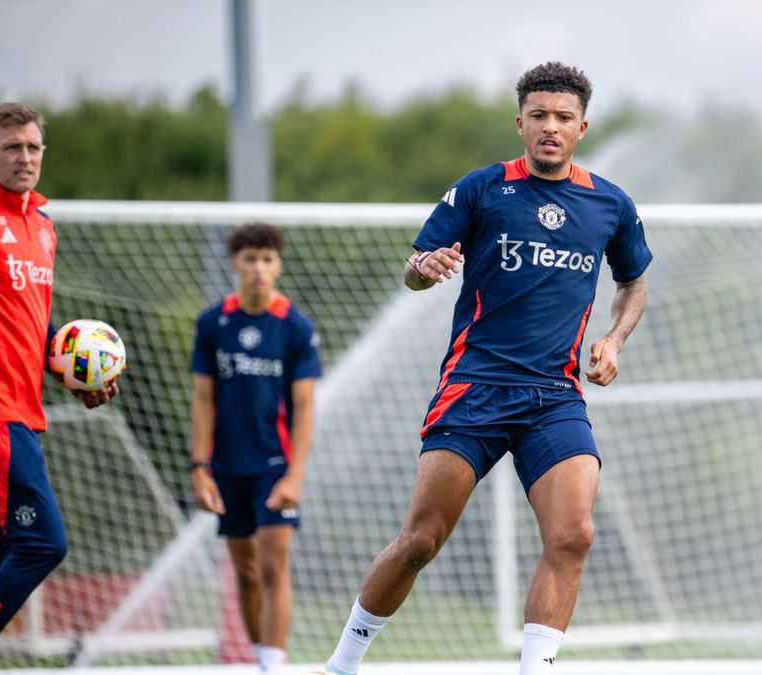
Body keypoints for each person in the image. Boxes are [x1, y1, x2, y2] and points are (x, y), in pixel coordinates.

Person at [323, 62, 651, 675]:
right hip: (475, 388)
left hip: (555, 396)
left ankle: (536, 668)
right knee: (420, 540)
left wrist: (614, 338)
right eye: (538, 116)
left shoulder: (610, 203)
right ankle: (342, 663)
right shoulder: (481, 189)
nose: (550, 127)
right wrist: (422, 269)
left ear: (582, 126)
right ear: (520, 123)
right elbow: (416, 266)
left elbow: (633, 283)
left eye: (562, 118)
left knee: (574, 533)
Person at [0, 102, 117, 675]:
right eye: (12, 147)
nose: (24, 157)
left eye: (33, 147)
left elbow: (29, 324)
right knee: (43, 544)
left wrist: (73, 374)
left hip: (21, 408)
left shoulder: (43, 227)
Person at [189, 223, 320, 675]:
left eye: (266, 259)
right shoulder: (212, 323)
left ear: (278, 265)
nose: (258, 268)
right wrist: (199, 467)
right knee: (244, 572)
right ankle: (260, 659)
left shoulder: (295, 325)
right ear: (235, 265)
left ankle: (273, 664)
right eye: (250, 259)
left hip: (275, 466)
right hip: (227, 466)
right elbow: (203, 400)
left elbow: (304, 407)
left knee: (272, 566)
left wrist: (295, 475)